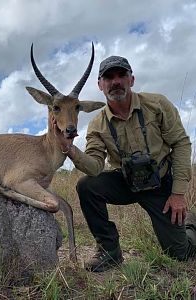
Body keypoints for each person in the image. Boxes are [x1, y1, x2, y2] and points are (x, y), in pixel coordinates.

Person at [52, 55, 196, 272]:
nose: (115, 81)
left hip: (161, 186)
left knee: (180, 255)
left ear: (132, 79)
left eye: (121, 75)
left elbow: (181, 144)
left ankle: (191, 223)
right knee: (87, 186)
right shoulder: (97, 124)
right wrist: (69, 148)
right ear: (100, 85)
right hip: (127, 182)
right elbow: (95, 167)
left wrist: (177, 194)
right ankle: (110, 252)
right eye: (108, 77)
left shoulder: (157, 104)